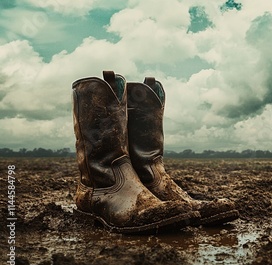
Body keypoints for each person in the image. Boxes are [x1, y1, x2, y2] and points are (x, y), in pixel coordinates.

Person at [72, 71, 239, 233]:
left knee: (151, 171)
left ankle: (147, 182)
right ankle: (97, 191)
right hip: (103, 188)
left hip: (134, 181)